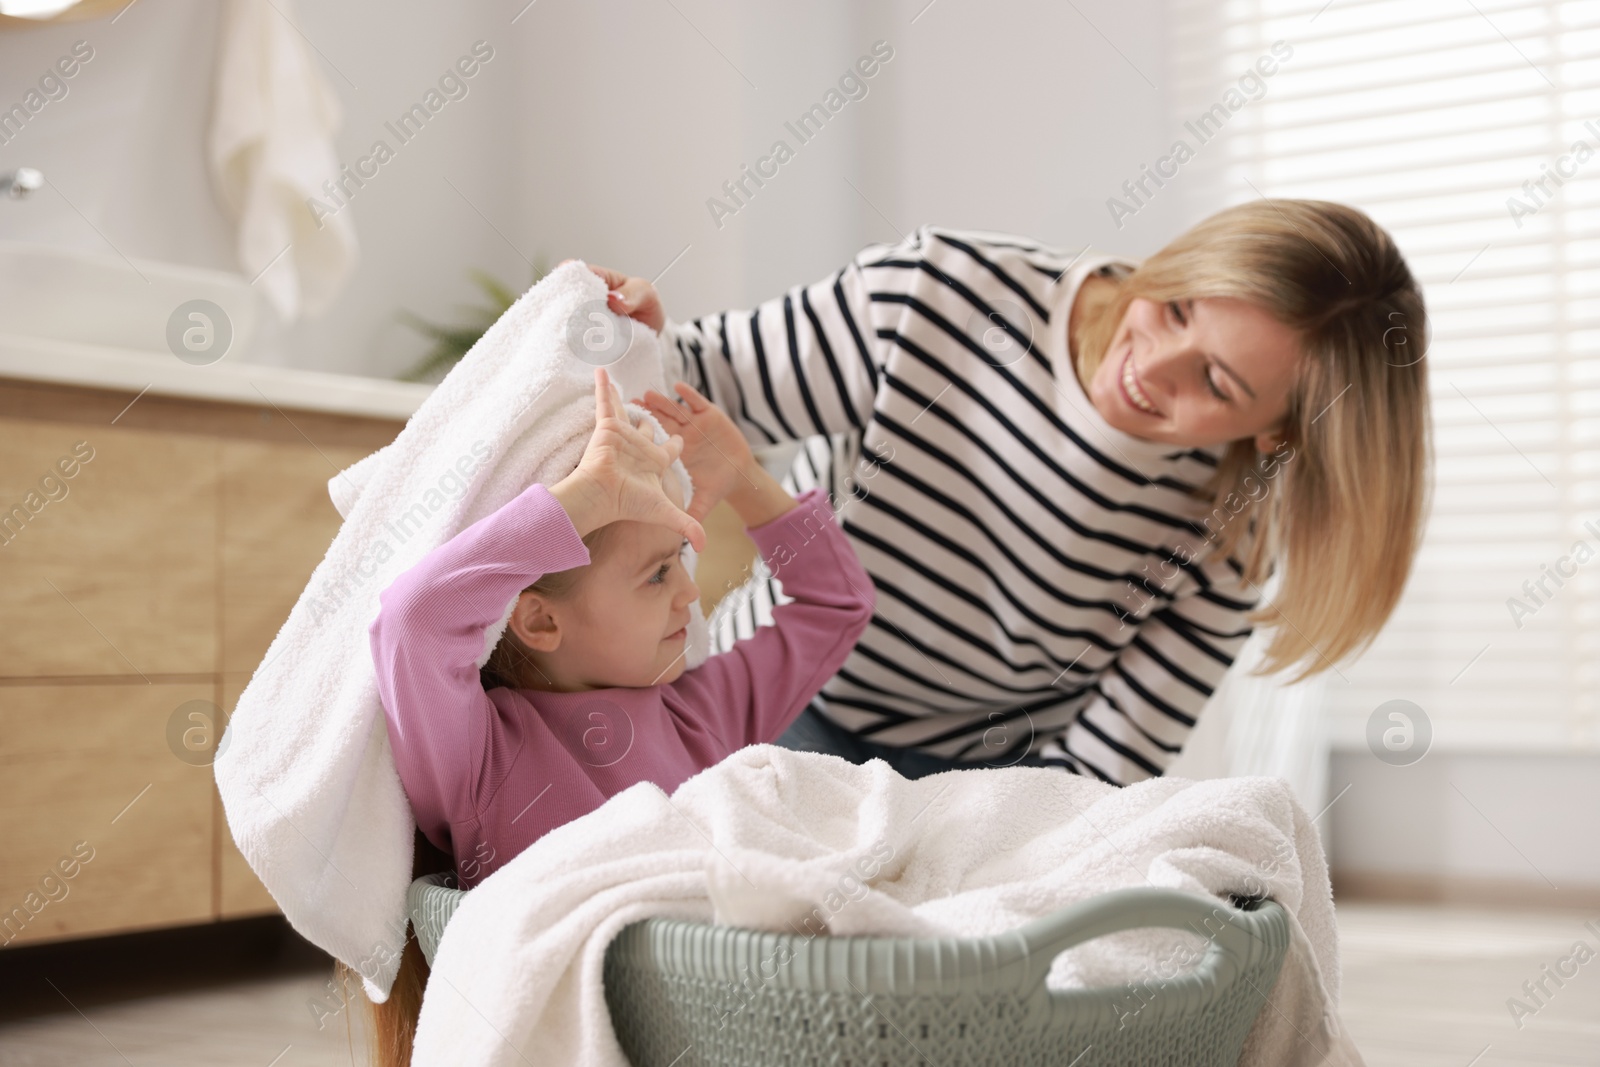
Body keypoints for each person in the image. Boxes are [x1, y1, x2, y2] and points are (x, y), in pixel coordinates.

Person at [588, 197, 1431, 786]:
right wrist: (637, 338)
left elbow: (1097, 774)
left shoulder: (1229, 537)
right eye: (1175, 309)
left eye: (1213, 379)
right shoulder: (940, 298)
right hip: (768, 697)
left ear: (1274, 433)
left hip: (986, 782)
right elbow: (695, 385)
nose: (1148, 368)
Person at [368, 367, 874, 889]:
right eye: (656, 574)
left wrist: (741, 475)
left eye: (679, 557)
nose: (689, 592)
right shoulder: (484, 760)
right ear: (540, 620)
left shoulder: (703, 710)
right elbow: (414, 622)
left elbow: (839, 603)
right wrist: (583, 500)